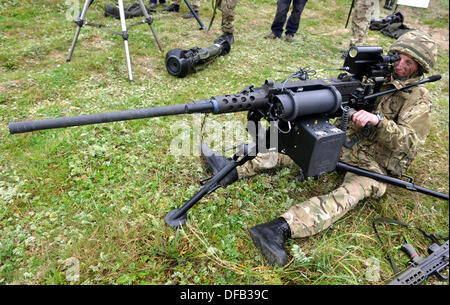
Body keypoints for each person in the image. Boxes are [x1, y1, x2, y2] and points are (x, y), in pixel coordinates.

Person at [201, 30, 438, 266]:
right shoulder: (376, 75)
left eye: (409, 62)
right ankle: (231, 168)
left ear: (420, 67)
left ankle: (279, 229)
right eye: (398, 57)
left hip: (374, 164)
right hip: (346, 142)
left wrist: (379, 123)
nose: (400, 66)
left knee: (350, 193)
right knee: (296, 145)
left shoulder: (419, 98)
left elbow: (411, 142)